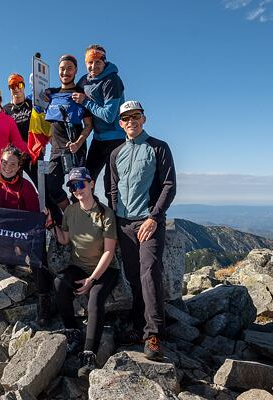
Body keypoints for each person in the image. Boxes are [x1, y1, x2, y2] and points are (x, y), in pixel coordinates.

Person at [110, 100, 176, 361]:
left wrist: (154, 218)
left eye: (135, 116)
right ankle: (139, 326)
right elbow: (112, 188)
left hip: (149, 221)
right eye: (126, 118)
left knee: (149, 273)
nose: (131, 121)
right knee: (134, 276)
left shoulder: (158, 147)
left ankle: (154, 335)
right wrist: (114, 219)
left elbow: (169, 185)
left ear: (143, 119)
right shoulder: (116, 153)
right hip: (124, 223)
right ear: (121, 123)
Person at [47, 166, 119, 377]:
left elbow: (109, 251)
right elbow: (64, 239)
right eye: (72, 186)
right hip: (78, 266)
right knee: (59, 283)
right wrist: (51, 226)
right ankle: (72, 330)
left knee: (95, 298)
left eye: (81, 184)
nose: (77, 189)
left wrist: (92, 279)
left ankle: (89, 354)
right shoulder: (70, 211)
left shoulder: (105, 214)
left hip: (105, 269)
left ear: (91, 184)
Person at [0, 145, 53, 325]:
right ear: (0, 162)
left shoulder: (26, 187)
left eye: (13, 164)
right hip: (2, 235)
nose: (8, 167)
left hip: (24, 234)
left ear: (19, 166)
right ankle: (10, 266)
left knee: (38, 254)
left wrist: (21, 240)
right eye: (4, 162)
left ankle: (44, 299)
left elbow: (33, 219)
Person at [72, 45, 126, 206]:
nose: (93, 66)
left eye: (98, 62)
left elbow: (109, 116)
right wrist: (49, 94)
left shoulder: (113, 80)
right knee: (86, 179)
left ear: (104, 62)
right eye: (90, 62)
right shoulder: (84, 80)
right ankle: (89, 215)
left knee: (111, 185)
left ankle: (115, 219)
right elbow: (70, 93)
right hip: (98, 139)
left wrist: (86, 102)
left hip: (116, 139)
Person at [44, 55, 93, 225]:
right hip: (56, 149)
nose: (65, 72)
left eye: (69, 68)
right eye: (62, 68)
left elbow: (88, 125)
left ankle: (83, 224)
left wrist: (78, 142)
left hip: (75, 149)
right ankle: (72, 215)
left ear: (76, 71)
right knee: (52, 187)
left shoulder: (80, 95)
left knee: (78, 189)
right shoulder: (51, 94)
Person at [3, 74, 42, 186]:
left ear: (24, 86)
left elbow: (44, 122)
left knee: (42, 185)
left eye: (19, 85)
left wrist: (43, 143)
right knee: (14, 186)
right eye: (12, 86)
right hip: (15, 155)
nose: (16, 88)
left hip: (34, 152)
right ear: (9, 89)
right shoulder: (5, 110)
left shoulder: (33, 104)